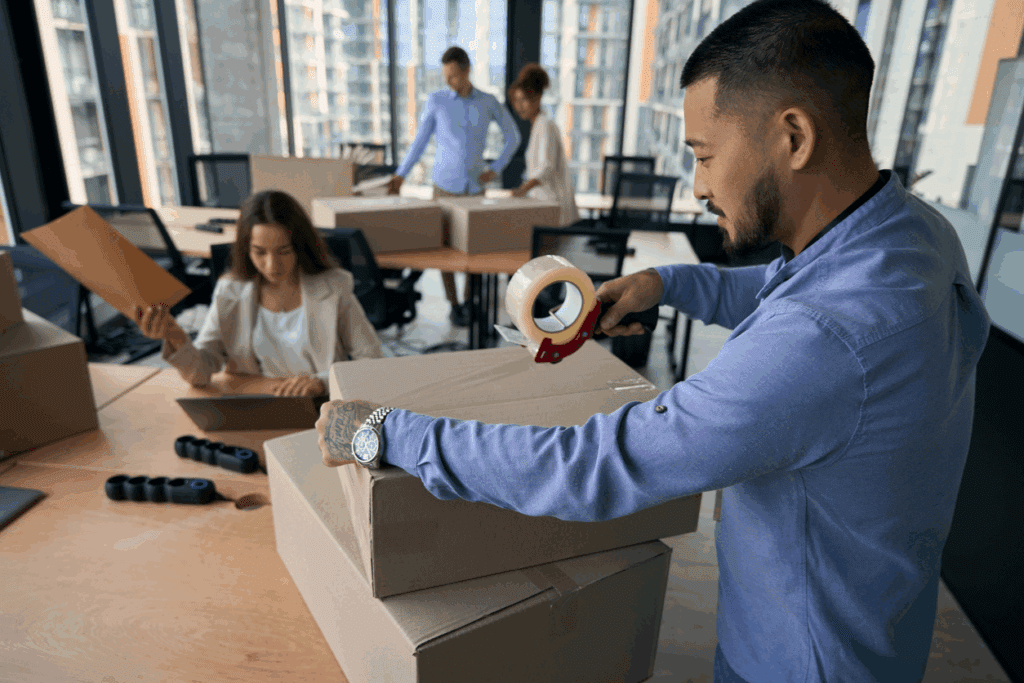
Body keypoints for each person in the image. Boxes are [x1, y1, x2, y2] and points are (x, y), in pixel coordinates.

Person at [315, 0, 990, 680]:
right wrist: (667, 282)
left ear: (793, 137)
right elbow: (793, 289)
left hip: (796, 658)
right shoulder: (914, 234)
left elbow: (594, 465)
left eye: (705, 155)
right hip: (878, 619)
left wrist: (384, 431)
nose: (697, 185)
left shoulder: (821, 343)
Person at [136, 190, 383, 396]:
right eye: (259, 252)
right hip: (258, 403)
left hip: (320, 405)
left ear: (300, 246)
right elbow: (200, 374)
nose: (271, 265)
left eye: (283, 251)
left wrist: (321, 382)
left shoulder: (334, 287)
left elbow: (373, 362)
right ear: (246, 249)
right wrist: (174, 334)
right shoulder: (230, 291)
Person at [386, 46, 521, 327]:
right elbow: (420, 142)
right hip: (443, 188)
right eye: (445, 76)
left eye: (454, 75)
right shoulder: (436, 101)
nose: (448, 81)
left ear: (467, 70)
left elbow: (513, 137)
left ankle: (470, 301)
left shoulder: (488, 102)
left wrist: (495, 169)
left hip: (474, 190)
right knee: (445, 251)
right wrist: (401, 175)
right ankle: (455, 305)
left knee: (474, 251)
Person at [508, 64, 580, 226]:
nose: (519, 106)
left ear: (538, 98)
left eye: (524, 100)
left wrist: (522, 190)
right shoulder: (538, 125)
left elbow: (546, 167)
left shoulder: (545, 125)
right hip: (545, 204)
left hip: (554, 206)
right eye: (516, 101)